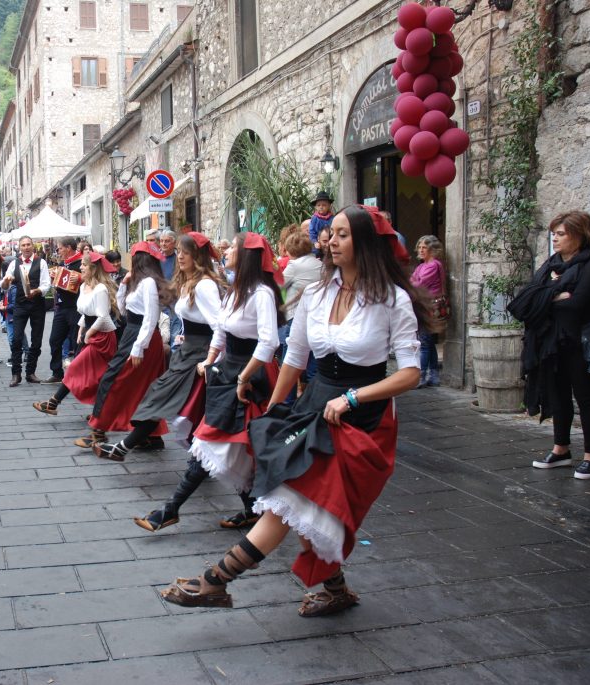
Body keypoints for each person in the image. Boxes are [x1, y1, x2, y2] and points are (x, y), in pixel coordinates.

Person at [160, 205, 424, 617]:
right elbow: (295, 358)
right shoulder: (317, 294)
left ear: (364, 243)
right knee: (300, 501)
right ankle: (333, 589)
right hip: (315, 407)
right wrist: (277, 407)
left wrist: (353, 398)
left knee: (292, 497)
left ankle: (215, 581)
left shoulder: (392, 300)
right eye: (329, 234)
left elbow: (410, 373)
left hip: (363, 418)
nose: (330, 241)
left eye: (341, 234)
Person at [149, 233, 282, 530]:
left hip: (252, 376)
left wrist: (245, 376)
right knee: (230, 446)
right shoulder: (236, 290)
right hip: (230, 371)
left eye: (233, 246)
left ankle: (171, 508)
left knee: (213, 442)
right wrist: (210, 359)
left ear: (246, 255)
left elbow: (269, 341)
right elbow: (220, 330)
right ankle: (249, 509)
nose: (226, 249)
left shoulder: (261, 293)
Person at [94, 233, 224, 464]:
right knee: (169, 399)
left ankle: (124, 447)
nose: (179, 257)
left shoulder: (204, 285)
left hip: (199, 354)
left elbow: (219, 325)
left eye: (185, 253)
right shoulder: (191, 283)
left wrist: (211, 357)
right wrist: (185, 335)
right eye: (180, 252)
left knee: (166, 398)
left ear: (197, 256)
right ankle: (198, 459)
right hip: (189, 350)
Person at [509, 211, 590, 480]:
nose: (555, 239)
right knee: (557, 396)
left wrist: (546, 298)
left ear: (580, 235)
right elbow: (526, 302)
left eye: (561, 234)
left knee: (586, 398)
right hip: (550, 343)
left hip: (578, 342)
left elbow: (577, 305)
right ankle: (561, 449)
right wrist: (556, 295)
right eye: (553, 233)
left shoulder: (589, 265)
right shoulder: (551, 264)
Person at [80, 241, 172, 449]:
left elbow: (150, 317)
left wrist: (139, 347)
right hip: (134, 335)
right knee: (135, 386)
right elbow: (122, 310)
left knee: (116, 380)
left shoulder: (148, 282)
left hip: (142, 338)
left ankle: (100, 430)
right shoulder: (138, 281)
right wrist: (123, 285)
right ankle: (151, 436)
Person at [32, 252, 120, 415]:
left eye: (84, 265)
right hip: (89, 333)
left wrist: (88, 333)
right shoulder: (83, 286)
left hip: (101, 337)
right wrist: (81, 329)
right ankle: (99, 410)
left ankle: (53, 403)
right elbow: (84, 312)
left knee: (77, 370)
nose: (80, 268)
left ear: (93, 268)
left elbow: (102, 317)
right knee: (93, 375)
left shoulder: (100, 289)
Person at [281, 232, 323, 402]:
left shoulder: (294, 265)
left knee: (289, 363)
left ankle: (287, 403)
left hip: (296, 317)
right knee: (313, 363)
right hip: (318, 317)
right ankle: (313, 401)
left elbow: (279, 287)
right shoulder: (320, 264)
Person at [2, 236, 50, 386]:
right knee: (16, 339)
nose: (26, 247)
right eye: (23, 245)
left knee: (36, 340)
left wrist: (37, 291)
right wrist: (6, 281)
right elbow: (4, 287)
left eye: (29, 244)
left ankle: (31, 372)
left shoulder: (41, 262)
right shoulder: (14, 263)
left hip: (37, 305)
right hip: (20, 304)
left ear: (33, 246)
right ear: (20, 247)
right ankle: (16, 374)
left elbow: (46, 284)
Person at [43, 236, 83, 384]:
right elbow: (60, 282)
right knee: (54, 340)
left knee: (76, 341)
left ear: (68, 248)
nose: (58, 251)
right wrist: (54, 278)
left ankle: (78, 375)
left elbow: (91, 276)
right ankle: (57, 373)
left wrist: (80, 277)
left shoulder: (82, 263)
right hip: (61, 307)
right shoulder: (62, 264)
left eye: (59, 248)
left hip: (76, 307)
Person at [410, 235, 446, 388]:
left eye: (424, 247)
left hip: (430, 308)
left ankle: (421, 376)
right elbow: (413, 281)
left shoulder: (432, 265)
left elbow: (418, 283)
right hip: (426, 306)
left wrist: (412, 282)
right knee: (429, 343)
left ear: (432, 249)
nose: (420, 250)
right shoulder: (421, 266)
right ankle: (434, 375)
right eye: (419, 247)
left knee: (424, 343)